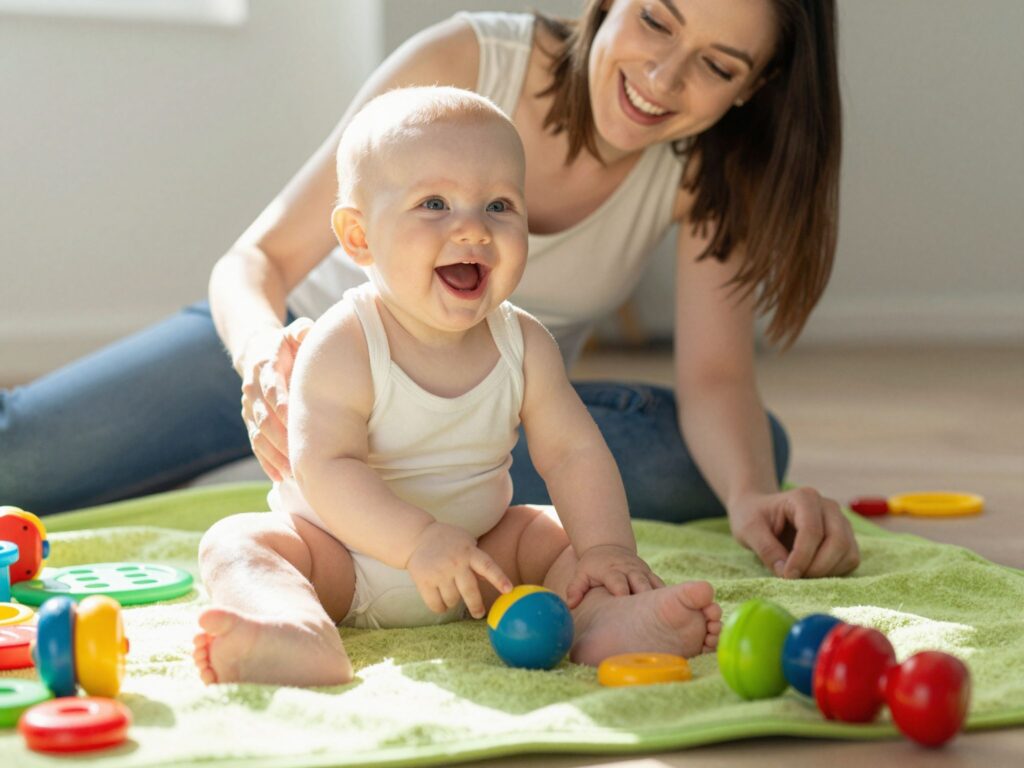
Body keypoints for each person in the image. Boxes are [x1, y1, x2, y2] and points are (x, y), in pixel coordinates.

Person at [1, 1, 859, 581]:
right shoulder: (469, 60)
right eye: (655, 21)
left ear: (756, 86)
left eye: (715, 65)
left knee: (740, 455)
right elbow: (253, 261)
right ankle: (313, 470)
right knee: (25, 455)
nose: (662, 79)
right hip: (299, 347)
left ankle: (356, 492)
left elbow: (716, 378)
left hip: (475, 419)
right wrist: (265, 364)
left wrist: (750, 498)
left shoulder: (706, 170)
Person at [192, 87, 721, 686]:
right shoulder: (343, 343)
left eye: (499, 206)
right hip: (340, 559)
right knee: (239, 543)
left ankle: (606, 619)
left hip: (479, 560)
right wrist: (417, 542)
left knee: (550, 534)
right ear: (360, 237)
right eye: (435, 203)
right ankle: (294, 629)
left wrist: (606, 551)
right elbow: (326, 467)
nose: (472, 228)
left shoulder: (525, 344)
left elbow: (574, 453)